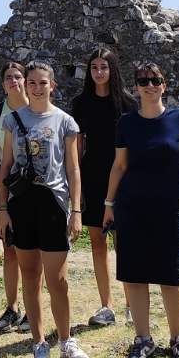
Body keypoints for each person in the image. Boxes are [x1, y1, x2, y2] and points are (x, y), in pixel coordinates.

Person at [104, 61, 179, 358]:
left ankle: (178, 339)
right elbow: (120, 165)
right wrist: (108, 203)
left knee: (169, 278)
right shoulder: (127, 123)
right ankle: (143, 339)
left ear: (164, 85)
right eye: (143, 81)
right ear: (135, 87)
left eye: (155, 80)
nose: (149, 85)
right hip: (131, 208)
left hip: (169, 210)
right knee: (135, 277)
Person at [0, 61, 89, 358]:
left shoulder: (65, 122)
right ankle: (38, 341)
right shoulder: (13, 120)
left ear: (52, 85)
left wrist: (76, 210)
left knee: (58, 280)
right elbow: (5, 166)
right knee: (30, 276)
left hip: (53, 203)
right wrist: (2, 208)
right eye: (32, 82)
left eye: (42, 83)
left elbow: (73, 169)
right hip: (22, 203)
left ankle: (66, 338)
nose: (37, 88)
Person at [71, 48, 135, 328]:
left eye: (104, 67)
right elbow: (78, 145)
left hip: (122, 176)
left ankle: (132, 304)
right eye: (94, 67)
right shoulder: (81, 103)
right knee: (98, 242)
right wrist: (76, 185)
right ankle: (106, 305)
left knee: (125, 243)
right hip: (93, 176)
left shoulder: (128, 103)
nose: (99, 72)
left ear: (112, 69)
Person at [0, 61, 26, 332]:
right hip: (8, 188)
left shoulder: (36, 108)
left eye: (17, 76)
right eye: (8, 78)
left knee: (34, 253)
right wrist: (1, 191)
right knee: (10, 250)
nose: (13, 81)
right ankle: (12, 307)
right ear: (2, 84)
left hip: (35, 190)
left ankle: (33, 309)